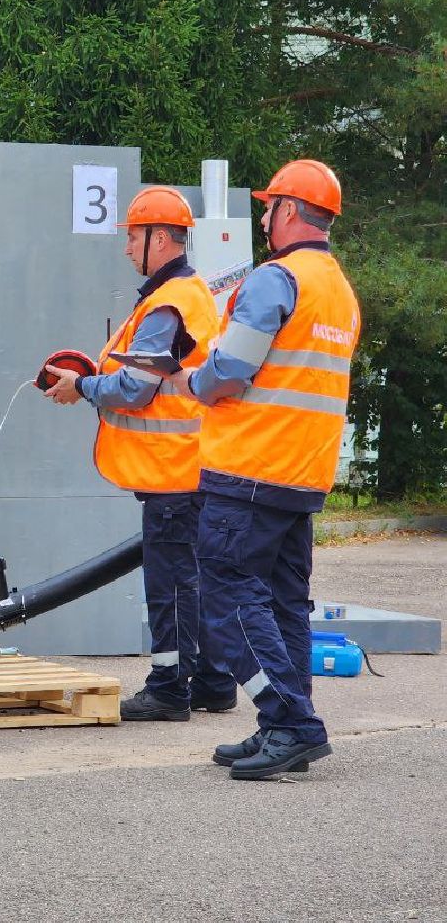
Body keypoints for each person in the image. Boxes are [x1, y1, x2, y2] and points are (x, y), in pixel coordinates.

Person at [167, 158, 359, 780]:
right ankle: (283, 724)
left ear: (289, 212)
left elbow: (228, 373)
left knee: (226, 595)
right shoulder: (339, 290)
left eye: (269, 206)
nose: (264, 218)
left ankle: (291, 722)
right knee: (282, 604)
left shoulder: (277, 280)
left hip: (250, 469)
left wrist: (189, 379)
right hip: (301, 475)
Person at [42, 185, 236, 721]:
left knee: (171, 583)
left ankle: (171, 688)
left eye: (132, 237)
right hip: (191, 468)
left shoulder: (169, 303)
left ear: (159, 239)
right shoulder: (183, 295)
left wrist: (80, 388)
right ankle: (214, 682)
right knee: (193, 578)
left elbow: (136, 388)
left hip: (173, 474)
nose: (126, 248)